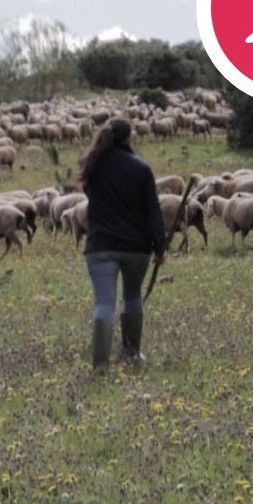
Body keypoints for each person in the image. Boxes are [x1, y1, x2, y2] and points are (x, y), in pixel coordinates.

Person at [77, 118, 166, 371]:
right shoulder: (141, 168)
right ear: (129, 137)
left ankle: (101, 364)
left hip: (101, 246)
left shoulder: (92, 166)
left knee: (104, 303)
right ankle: (131, 355)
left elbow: (90, 196)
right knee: (132, 297)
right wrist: (160, 246)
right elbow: (153, 211)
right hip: (137, 246)